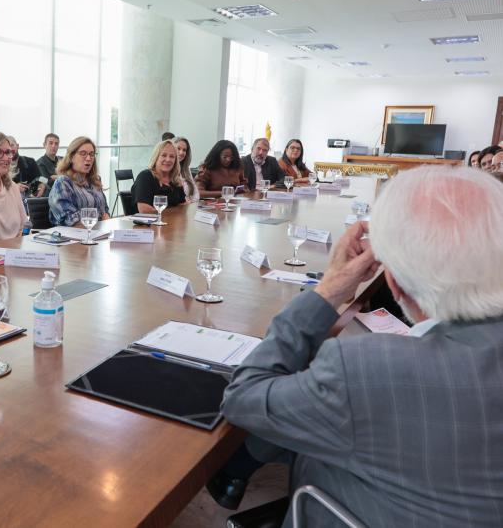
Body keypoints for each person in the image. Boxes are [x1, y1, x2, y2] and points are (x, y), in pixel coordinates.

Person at [220, 166, 503, 526]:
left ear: (394, 282)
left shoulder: (366, 370)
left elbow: (243, 398)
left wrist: (328, 290)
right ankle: (235, 471)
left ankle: (234, 470)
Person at [48, 136, 109, 226]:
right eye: (83, 153)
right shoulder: (63, 183)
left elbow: (105, 211)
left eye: (92, 154)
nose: (88, 158)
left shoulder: (95, 181)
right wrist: (100, 221)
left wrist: (104, 219)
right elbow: (70, 220)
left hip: (99, 234)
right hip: (71, 238)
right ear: (71, 157)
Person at [132, 140, 187, 213]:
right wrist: (172, 215)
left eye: (172, 156)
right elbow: (144, 210)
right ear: (156, 157)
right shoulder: (145, 177)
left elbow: (182, 205)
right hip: (150, 223)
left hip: (173, 223)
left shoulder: (176, 180)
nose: (168, 160)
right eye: (164, 155)